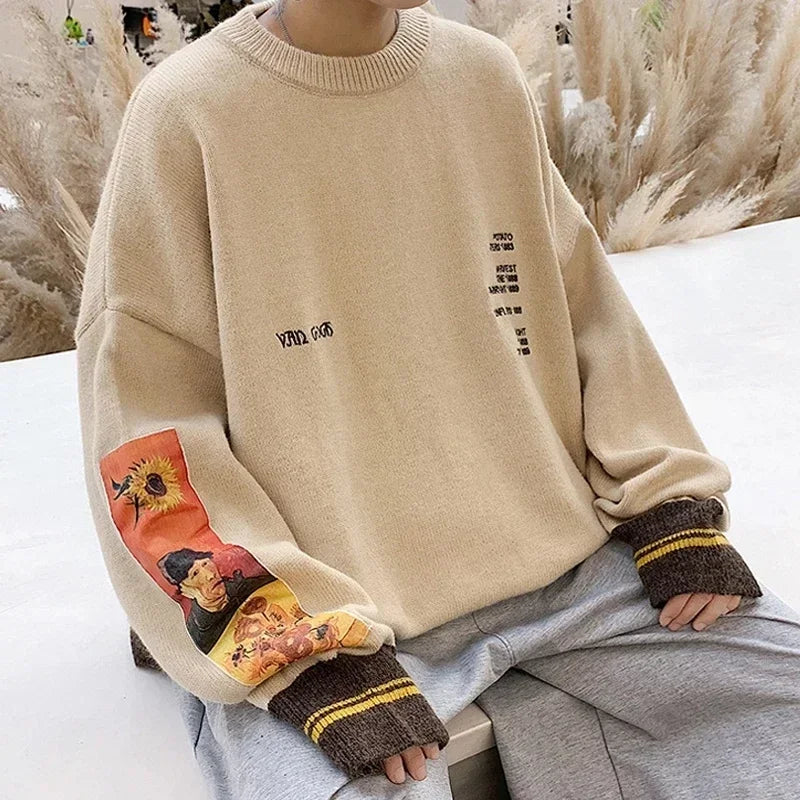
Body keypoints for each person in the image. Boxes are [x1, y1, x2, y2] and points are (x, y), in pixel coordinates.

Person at [74, 1, 800, 798]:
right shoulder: (188, 111)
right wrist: (292, 643)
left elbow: (582, 302)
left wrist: (668, 504)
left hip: (580, 576)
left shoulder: (481, 75)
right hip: (335, 621)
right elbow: (144, 421)